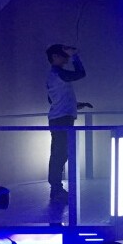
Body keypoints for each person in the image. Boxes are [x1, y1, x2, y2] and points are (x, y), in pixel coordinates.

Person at [45, 44, 86, 203]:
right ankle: (56, 189)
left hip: (60, 118)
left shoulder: (54, 75)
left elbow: (53, 99)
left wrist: (74, 105)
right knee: (60, 154)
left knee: (60, 154)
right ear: (54, 57)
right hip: (61, 119)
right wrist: (75, 55)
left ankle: (56, 189)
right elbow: (81, 73)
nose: (66, 56)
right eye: (64, 54)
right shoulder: (58, 73)